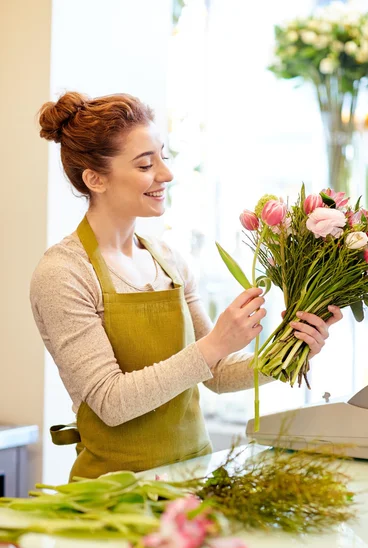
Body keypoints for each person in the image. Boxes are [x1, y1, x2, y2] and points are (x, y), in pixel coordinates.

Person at [30, 91, 343, 481]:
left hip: (194, 477)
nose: (166, 174)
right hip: (114, 493)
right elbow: (111, 401)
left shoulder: (170, 260)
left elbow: (216, 374)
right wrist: (216, 343)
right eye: (145, 164)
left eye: (164, 156)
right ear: (95, 179)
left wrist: (293, 349)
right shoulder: (65, 273)